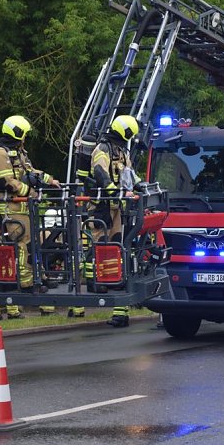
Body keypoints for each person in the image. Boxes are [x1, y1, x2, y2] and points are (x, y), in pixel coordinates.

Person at [0, 115, 61, 316]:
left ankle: (38, 278)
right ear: (17, 133)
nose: (25, 138)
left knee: (32, 243)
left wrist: (49, 180)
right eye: (24, 134)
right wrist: (30, 192)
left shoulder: (18, 152)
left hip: (24, 208)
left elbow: (30, 171)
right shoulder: (0, 154)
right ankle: (27, 284)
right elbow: (6, 182)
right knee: (22, 245)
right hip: (11, 208)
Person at [89, 114, 140, 328]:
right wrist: (113, 191)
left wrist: (141, 185)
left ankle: (112, 282)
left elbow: (129, 174)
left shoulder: (121, 151)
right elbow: (100, 172)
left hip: (116, 207)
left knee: (116, 246)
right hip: (101, 206)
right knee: (99, 245)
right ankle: (96, 282)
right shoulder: (103, 149)